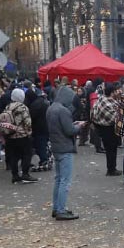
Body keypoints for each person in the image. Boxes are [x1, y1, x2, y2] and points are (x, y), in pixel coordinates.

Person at [47, 85, 85, 221]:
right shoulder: (63, 110)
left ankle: (57, 207)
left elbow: (62, 127)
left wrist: (72, 124)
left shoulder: (51, 108)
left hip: (56, 147)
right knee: (65, 180)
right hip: (64, 148)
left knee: (58, 179)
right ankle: (61, 210)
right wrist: (79, 126)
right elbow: (69, 130)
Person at [0, 88, 37, 184]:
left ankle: (15, 175)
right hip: (22, 135)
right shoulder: (23, 107)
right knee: (26, 154)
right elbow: (27, 122)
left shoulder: (8, 106)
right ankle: (25, 174)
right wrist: (29, 133)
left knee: (14, 156)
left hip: (10, 135)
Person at [91, 83, 121, 175]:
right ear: (112, 92)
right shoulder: (107, 102)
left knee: (110, 149)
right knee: (111, 150)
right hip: (108, 128)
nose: (118, 92)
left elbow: (93, 112)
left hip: (103, 127)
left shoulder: (101, 99)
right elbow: (113, 118)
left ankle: (112, 168)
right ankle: (111, 169)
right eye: (116, 91)